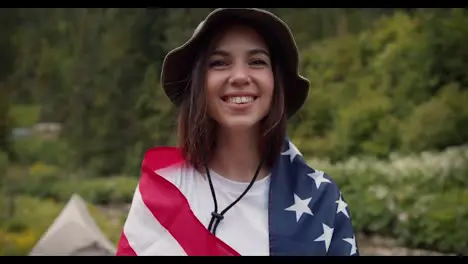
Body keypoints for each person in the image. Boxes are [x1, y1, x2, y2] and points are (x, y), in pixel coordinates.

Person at [116, 8, 359, 256]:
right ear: (199, 83)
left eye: (257, 62)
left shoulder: (321, 200)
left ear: (275, 82)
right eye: (219, 63)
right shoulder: (163, 189)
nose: (240, 76)